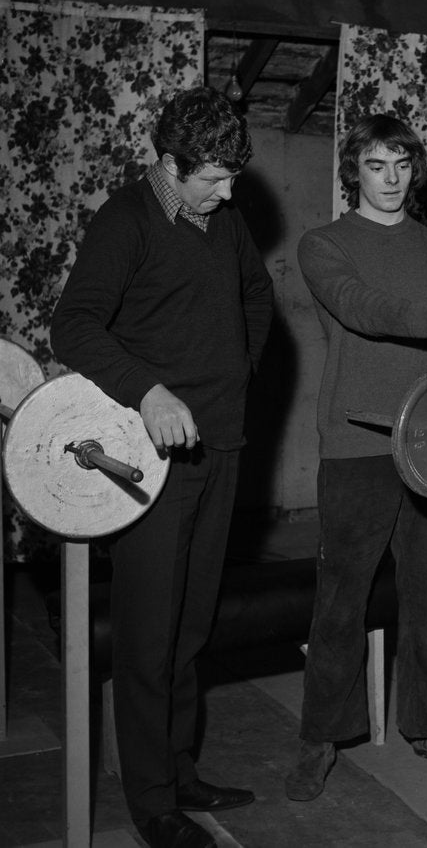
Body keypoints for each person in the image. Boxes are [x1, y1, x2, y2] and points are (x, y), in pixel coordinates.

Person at [50, 86, 273, 848]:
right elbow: (73, 325)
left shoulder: (226, 218)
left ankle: (178, 768)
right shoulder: (125, 222)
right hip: (143, 463)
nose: (229, 191)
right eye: (212, 177)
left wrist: (237, 372)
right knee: (148, 632)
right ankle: (152, 802)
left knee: (192, 625)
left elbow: (256, 294)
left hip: (223, 444)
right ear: (168, 163)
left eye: (234, 175)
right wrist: (149, 393)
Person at [286, 113, 427, 802]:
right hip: (355, 442)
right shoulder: (323, 245)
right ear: (355, 170)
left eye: (401, 166)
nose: (389, 179)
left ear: (415, 170)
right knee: (340, 600)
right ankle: (320, 737)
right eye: (376, 166)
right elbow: (358, 306)